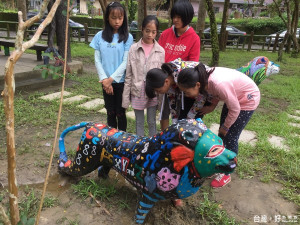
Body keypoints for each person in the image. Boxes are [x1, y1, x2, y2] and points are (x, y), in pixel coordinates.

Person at [177, 63, 261, 188]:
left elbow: (235, 108)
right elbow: (215, 92)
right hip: (234, 97)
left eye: (187, 92)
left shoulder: (218, 83)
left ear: (197, 85)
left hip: (247, 99)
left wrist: (226, 127)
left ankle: (227, 173)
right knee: (222, 135)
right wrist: (212, 106)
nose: (186, 95)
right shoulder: (204, 79)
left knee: (230, 136)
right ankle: (219, 164)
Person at [158, 0, 201, 133]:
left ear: (187, 18)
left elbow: (193, 64)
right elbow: (159, 56)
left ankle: (179, 138)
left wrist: (176, 78)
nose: (175, 20)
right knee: (164, 112)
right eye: (174, 16)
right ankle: (164, 139)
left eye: (179, 17)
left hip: (182, 84)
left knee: (180, 114)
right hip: (165, 82)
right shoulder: (165, 34)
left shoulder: (194, 38)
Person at [90, 1, 133, 132]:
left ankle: (122, 139)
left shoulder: (128, 37)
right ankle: (111, 139)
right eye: (113, 17)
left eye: (120, 18)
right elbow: (97, 59)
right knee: (110, 112)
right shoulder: (99, 36)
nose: (117, 21)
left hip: (120, 82)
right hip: (105, 82)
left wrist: (111, 79)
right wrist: (105, 80)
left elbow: (126, 61)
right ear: (107, 17)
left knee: (120, 112)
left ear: (124, 19)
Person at [122, 15, 165, 137]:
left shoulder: (161, 51)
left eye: (153, 32)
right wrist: (125, 100)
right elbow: (129, 75)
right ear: (142, 29)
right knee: (139, 122)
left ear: (157, 32)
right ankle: (140, 145)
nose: (150, 34)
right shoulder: (133, 49)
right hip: (137, 91)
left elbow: (161, 78)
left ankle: (152, 144)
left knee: (152, 122)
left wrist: (161, 101)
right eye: (147, 31)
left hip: (153, 92)